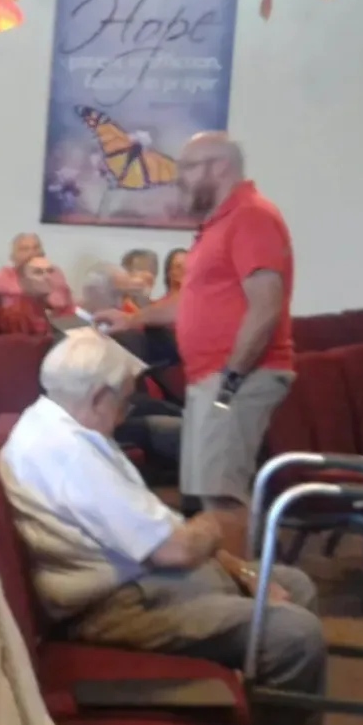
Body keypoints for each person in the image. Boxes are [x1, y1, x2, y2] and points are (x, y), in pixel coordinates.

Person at [0, 331, 326, 725]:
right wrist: (217, 521)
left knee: (290, 583)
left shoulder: (66, 427)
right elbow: (173, 547)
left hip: (145, 582)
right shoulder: (66, 451)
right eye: (126, 400)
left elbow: (162, 529)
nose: (128, 411)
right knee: (294, 634)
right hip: (114, 605)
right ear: (98, 396)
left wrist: (237, 565)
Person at [100, 133, 293, 559]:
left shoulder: (251, 216)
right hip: (217, 377)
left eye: (187, 167)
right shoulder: (219, 223)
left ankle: (246, 606)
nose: (177, 178)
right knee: (210, 493)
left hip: (236, 376)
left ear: (217, 167)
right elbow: (192, 302)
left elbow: (266, 304)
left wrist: (230, 380)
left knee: (222, 499)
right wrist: (132, 318)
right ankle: (234, 591)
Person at [0, 233, 77, 311]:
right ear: (13, 257)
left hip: (62, 323)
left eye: (36, 247)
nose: (32, 253)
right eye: (25, 249)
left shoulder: (55, 272)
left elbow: (66, 301)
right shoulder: (4, 276)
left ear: (42, 253)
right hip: (26, 328)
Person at [0, 256, 68, 336]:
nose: (47, 277)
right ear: (24, 282)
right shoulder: (18, 316)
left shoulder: (55, 306)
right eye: (38, 272)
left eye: (50, 271)